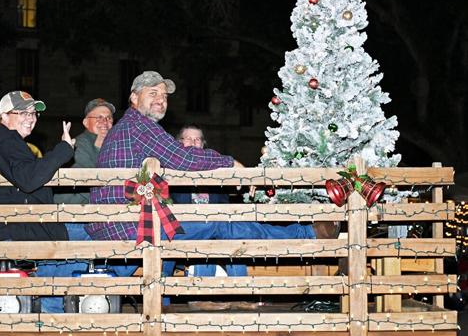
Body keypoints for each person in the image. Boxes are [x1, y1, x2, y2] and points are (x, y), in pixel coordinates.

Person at [85, 71, 339, 278]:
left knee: (207, 223)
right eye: (153, 93)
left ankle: (167, 305)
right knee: (218, 223)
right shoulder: (139, 125)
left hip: (124, 224)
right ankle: (307, 233)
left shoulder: (131, 127)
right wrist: (231, 164)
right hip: (128, 228)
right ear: (134, 98)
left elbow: (174, 160)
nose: (161, 99)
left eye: (164, 95)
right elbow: (180, 157)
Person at [0, 90, 87, 312]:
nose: (31, 118)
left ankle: (50, 302)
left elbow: (27, 179)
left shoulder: (0, 139)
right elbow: (30, 179)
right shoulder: (6, 140)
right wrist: (64, 149)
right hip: (3, 230)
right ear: (4, 116)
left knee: (68, 232)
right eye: (22, 112)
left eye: (33, 113)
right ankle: (51, 305)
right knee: (92, 232)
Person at [172, 124, 245, 277]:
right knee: (203, 241)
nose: (193, 143)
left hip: (216, 228)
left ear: (203, 144)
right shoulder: (172, 170)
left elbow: (224, 206)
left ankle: (241, 295)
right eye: (188, 139)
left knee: (235, 243)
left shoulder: (216, 172)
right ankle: (202, 296)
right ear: (178, 143)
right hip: (187, 232)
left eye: (197, 139)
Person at [54, 98, 116, 226]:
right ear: (86, 123)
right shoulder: (78, 145)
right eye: (98, 118)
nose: (104, 122)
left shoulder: (113, 145)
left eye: (109, 118)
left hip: (93, 215)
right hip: (74, 217)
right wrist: (98, 148)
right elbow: (88, 180)